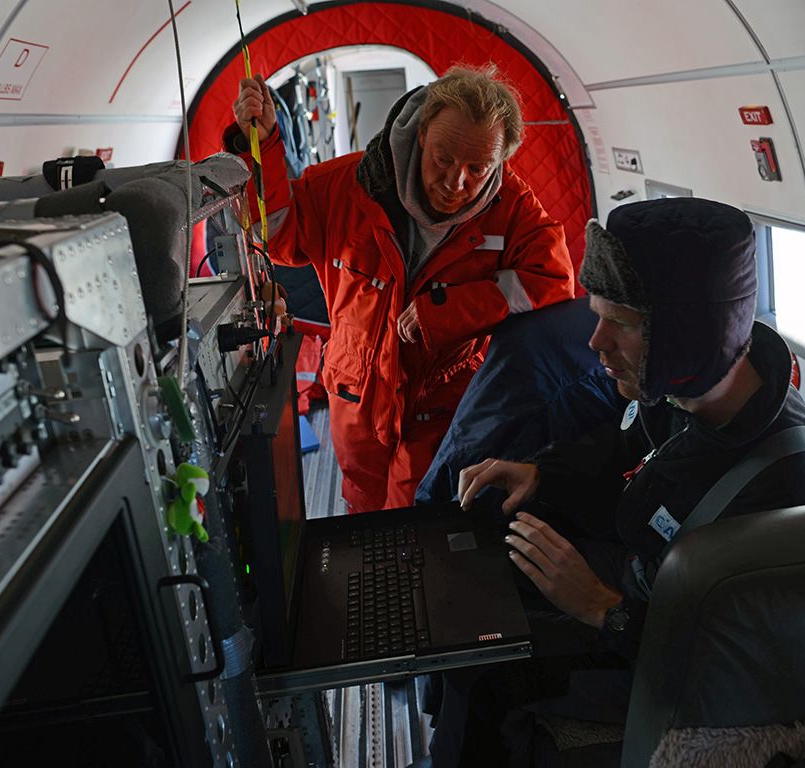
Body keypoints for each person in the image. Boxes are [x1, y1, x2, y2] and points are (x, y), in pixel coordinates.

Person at [431, 197, 805, 767]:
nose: (595, 342)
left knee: (487, 669)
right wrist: (541, 474)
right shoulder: (683, 394)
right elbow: (623, 448)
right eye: (598, 315)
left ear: (686, 333)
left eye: (622, 324)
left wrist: (604, 609)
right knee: (479, 568)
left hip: (678, 662)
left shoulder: (799, 487)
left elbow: (776, 669)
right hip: (646, 583)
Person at [224, 65, 576, 512]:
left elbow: (553, 281)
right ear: (423, 133)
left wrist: (445, 311)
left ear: (500, 160)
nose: (457, 182)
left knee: (418, 525)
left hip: (444, 405)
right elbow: (275, 236)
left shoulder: (515, 208)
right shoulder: (346, 185)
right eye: (444, 159)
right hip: (358, 398)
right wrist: (265, 146)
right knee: (364, 517)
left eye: (477, 168)